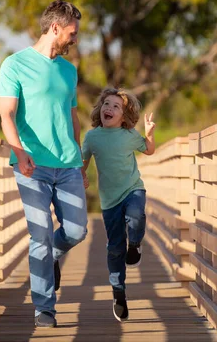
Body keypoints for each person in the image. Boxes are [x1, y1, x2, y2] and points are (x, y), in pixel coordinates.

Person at [0, 0, 88, 328]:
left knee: (76, 231)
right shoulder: (14, 65)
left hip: (67, 164)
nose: (75, 39)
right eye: (72, 33)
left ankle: (49, 260)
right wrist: (19, 153)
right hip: (31, 166)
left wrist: (79, 160)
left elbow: (73, 116)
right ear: (55, 29)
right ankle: (44, 308)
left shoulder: (68, 70)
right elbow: (6, 114)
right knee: (41, 234)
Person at [81, 87, 156, 322]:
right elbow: (83, 161)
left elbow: (149, 150)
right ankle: (118, 292)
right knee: (114, 247)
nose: (110, 109)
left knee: (136, 216)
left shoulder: (130, 135)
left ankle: (135, 244)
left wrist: (149, 133)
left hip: (133, 188)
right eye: (106, 105)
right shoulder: (92, 137)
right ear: (99, 110)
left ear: (124, 117)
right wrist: (81, 176)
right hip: (109, 200)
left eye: (116, 106)